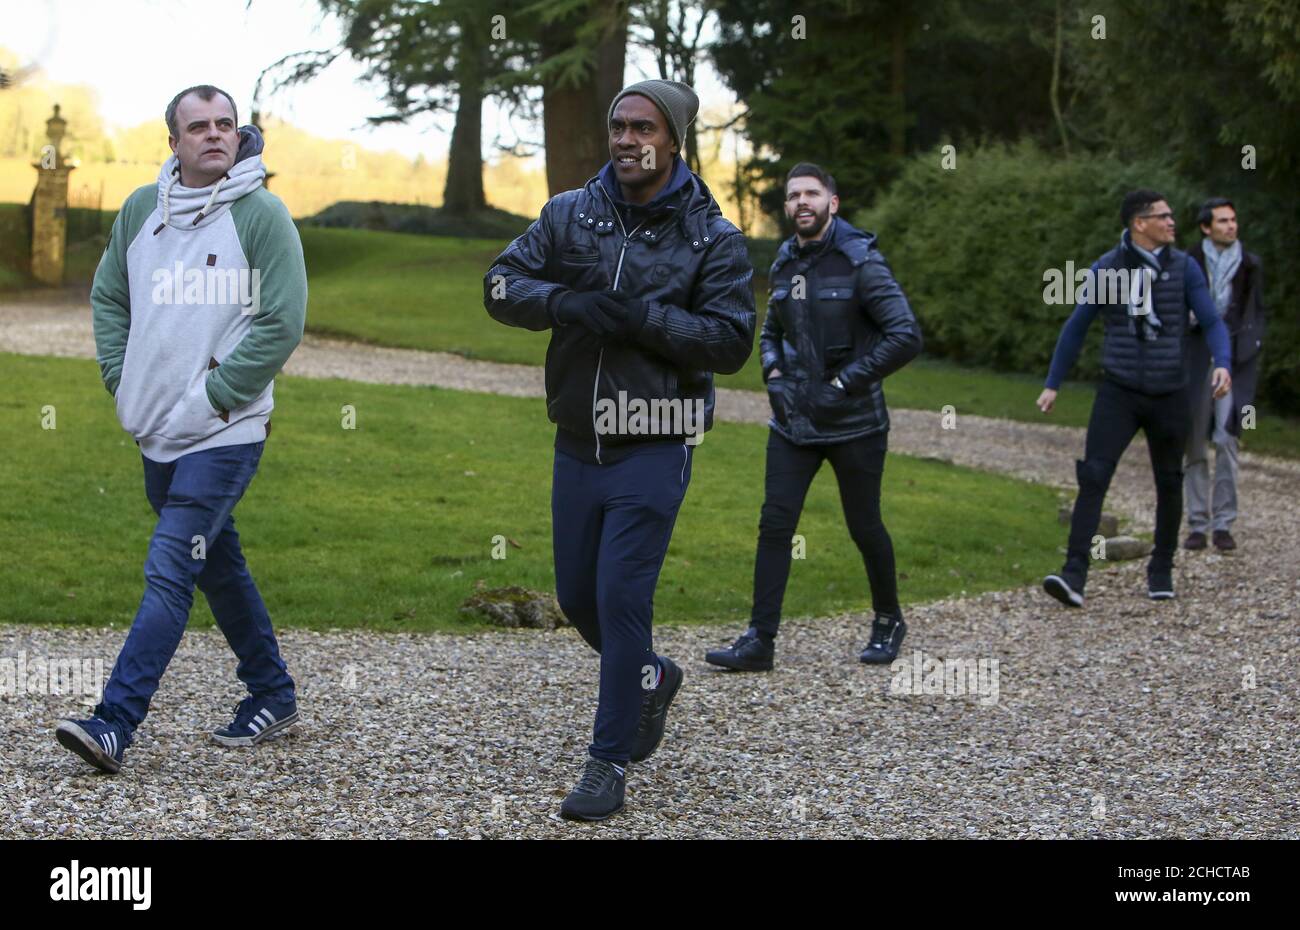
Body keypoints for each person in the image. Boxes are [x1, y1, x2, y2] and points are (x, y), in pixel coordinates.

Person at [483, 79, 755, 820]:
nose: (628, 139)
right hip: (578, 440)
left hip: (657, 439)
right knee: (578, 599)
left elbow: (731, 343)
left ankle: (606, 766)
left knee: (621, 598)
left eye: (644, 127)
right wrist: (564, 302)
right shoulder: (570, 214)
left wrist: (640, 319)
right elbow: (500, 285)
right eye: (619, 125)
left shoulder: (712, 239)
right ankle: (652, 677)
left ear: (673, 139)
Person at [58, 85, 307, 773]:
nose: (214, 135)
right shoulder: (143, 208)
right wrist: (121, 375)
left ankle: (114, 723)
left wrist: (216, 397)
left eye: (225, 124)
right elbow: (110, 295)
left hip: (225, 433)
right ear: (173, 142)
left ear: (238, 135)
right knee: (215, 562)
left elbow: (281, 323)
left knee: (171, 567)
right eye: (198, 126)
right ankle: (273, 690)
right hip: (155, 430)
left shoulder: (262, 216)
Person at [705, 163, 922, 673]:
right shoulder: (785, 261)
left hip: (856, 426)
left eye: (812, 194)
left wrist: (845, 383)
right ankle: (759, 640)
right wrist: (775, 376)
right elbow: (771, 331)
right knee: (774, 524)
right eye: (794, 196)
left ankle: (888, 619)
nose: (802, 202)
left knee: (864, 525)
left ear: (833, 203)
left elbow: (905, 335)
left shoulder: (861, 262)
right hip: (793, 425)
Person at [1038, 189, 1231, 607]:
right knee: (1093, 476)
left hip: (1170, 391)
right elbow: (1076, 328)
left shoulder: (1185, 268)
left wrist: (1223, 361)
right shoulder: (1107, 269)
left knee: (1169, 480)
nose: (1171, 222)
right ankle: (1073, 573)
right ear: (1138, 223)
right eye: (1162, 216)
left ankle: (1161, 568)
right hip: (1119, 389)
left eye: (1171, 215)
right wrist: (1054, 382)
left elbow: (1213, 320)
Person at [1183, 198, 1266, 552]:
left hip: (1232, 359)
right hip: (1195, 355)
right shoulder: (1188, 261)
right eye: (1223, 221)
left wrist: (1248, 347)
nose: (1231, 226)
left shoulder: (1249, 264)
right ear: (1206, 227)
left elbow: (1256, 311)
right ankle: (1197, 523)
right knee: (1195, 442)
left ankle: (1223, 524)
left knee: (1228, 437)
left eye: (1233, 220)